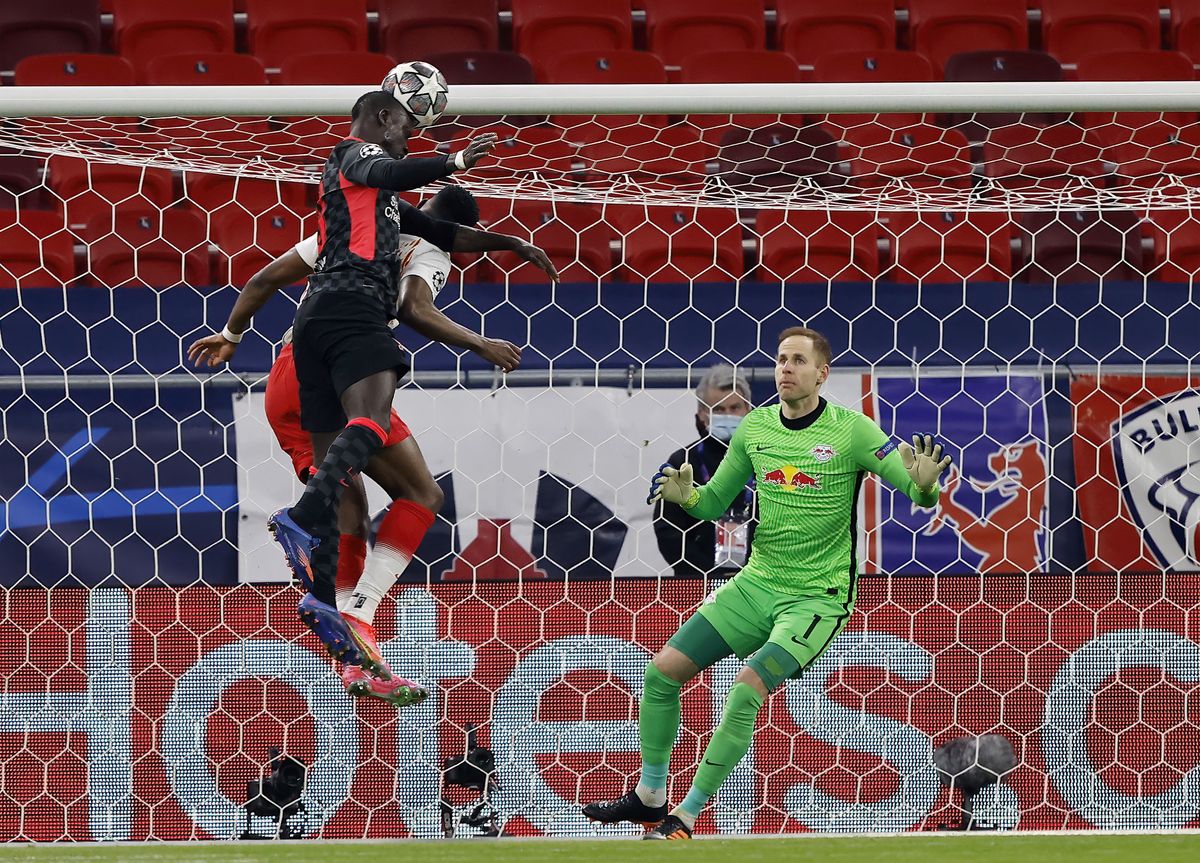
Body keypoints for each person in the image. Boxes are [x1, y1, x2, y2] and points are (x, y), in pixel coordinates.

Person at [582, 326, 952, 839]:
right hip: (755, 585)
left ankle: (685, 815)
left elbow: (916, 491)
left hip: (814, 600)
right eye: (781, 359)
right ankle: (651, 794)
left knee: (742, 693)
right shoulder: (756, 429)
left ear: (821, 374)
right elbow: (712, 503)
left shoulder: (854, 431)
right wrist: (686, 496)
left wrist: (928, 487)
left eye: (798, 360)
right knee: (661, 675)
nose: (786, 368)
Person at [190, 183, 541, 705]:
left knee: (349, 511)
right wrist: (480, 343)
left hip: (286, 377)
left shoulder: (352, 231)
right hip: (343, 371)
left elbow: (264, 278)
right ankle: (361, 607)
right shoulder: (431, 250)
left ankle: (355, 658)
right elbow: (414, 307)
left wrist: (233, 335)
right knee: (423, 494)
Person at [652, 363, 756, 580]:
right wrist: (707, 574)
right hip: (695, 583)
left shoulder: (767, 459)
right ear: (702, 414)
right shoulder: (682, 462)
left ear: (748, 409)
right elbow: (668, 531)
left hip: (758, 582)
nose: (728, 415)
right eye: (718, 409)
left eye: (735, 407)